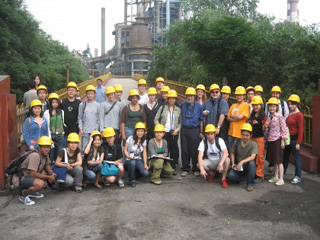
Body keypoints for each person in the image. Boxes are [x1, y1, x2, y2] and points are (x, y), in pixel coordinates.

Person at [13, 136, 56, 206]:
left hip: (29, 177)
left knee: (46, 174)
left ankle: (32, 192)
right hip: (21, 178)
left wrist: (51, 173)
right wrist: (48, 177)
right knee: (40, 184)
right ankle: (23, 195)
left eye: (48, 147)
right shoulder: (35, 156)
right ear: (39, 147)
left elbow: (47, 165)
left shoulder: (45, 155)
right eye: (44, 147)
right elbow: (33, 174)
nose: (46, 149)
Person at [154, 90, 181, 175]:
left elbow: (180, 122)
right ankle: (163, 165)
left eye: (173, 99)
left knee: (173, 149)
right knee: (164, 149)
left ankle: (172, 166)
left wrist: (177, 129)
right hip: (164, 132)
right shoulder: (162, 108)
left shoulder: (178, 110)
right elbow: (156, 119)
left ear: (175, 99)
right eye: (170, 99)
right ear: (167, 99)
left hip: (174, 132)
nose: (171, 100)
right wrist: (160, 129)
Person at [180, 87, 204, 177]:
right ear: (186, 96)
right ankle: (186, 168)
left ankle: (195, 168)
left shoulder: (199, 106)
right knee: (184, 149)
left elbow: (201, 119)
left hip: (195, 129)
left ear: (194, 96)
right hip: (184, 129)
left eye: (191, 96)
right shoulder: (183, 105)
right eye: (188, 96)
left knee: (194, 150)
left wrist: (201, 132)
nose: (190, 97)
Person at [227, 123, 258, 191]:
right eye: (243, 135)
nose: (245, 137)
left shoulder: (254, 144)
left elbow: (253, 157)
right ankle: (243, 178)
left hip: (247, 165)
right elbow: (232, 153)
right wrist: (233, 163)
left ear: (251, 135)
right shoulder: (237, 141)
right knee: (230, 175)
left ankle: (250, 184)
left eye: (247, 135)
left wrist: (242, 161)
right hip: (238, 167)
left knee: (252, 163)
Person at [265, 98, 287, 186]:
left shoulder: (279, 117)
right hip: (271, 139)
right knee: (274, 159)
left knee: (279, 160)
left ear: (276, 107)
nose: (271, 108)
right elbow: (268, 129)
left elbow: (284, 129)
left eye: (273, 106)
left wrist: (282, 141)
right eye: (270, 106)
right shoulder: (269, 116)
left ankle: (281, 178)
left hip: (277, 139)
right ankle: (275, 176)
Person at [283, 94, 304, 183]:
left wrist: (298, 143)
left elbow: (301, 130)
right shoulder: (291, 113)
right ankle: (282, 173)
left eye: (292, 104)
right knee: (285, 157)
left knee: (296, 158)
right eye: (289, 104)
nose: (290, 106)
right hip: (288, 138)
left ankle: (298, 175)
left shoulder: (299, 115)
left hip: (295, 139)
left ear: (297, 104)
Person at [123, 122, 149, 187]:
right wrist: (128, 156)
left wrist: (145, 164)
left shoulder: (144, 140)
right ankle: (132, 180)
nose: (140, 133)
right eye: (138, 131)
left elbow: (144, 153)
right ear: (135, 132)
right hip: (129, 159)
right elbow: (125, 150)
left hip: (138, 159)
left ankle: (135, 172)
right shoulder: (130, 138)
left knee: (146, 173)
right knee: (132, 163)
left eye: (142, 131)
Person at [248, 96, 267, 182]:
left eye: (257, 105)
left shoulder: (263, 116)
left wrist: (265, 126)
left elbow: (264, 130)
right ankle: (253, 173)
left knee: (259, 157)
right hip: (252, 138)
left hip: (260, 139)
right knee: (253, 156)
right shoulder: (252, 115)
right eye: (254, 105)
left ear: (261, 105)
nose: (255, 107)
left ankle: (259, 175)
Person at [78, 84, 101, 152]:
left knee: (93, 149)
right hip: (85, 131)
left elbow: (98, 119)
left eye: (91, 93)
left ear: (94, 94)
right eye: (88, 93)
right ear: (86, 94)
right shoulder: (82, 105)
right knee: (84, 149)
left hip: (94, 131)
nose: (90, 95)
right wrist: (81, 128)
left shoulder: (98, 106)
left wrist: (96, 130)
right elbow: (79, 117)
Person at [227, 86, 250, 151]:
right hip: (231, 132)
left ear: (244, 96)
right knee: (231, 151)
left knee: (239, 152)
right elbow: (227, 117)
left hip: (240, 134)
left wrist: (232, 116)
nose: (238, 97)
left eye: (240, 95)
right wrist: (236, 118)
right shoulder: (233, 105)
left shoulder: (246, 106)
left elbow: (240, 117)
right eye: (237, 95)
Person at [43, 93, 65, 163]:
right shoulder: (47, 112)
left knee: (59, 154)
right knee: (51, 155)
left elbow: (62, 122)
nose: (55, 104)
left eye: (56, 102)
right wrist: (49, 137)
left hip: (60, 135)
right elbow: (47, 125)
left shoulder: (61, 112)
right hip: (51, 135)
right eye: (53, 102)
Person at [60, 82, 81, 146]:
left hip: (75, 128)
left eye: (73, 90)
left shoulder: (79, 103)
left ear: (75, 92)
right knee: (65, 146)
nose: (71, 92)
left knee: (74, 146)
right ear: (67, 91)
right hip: (65, 128)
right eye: (69, 90)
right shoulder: (62, 102)